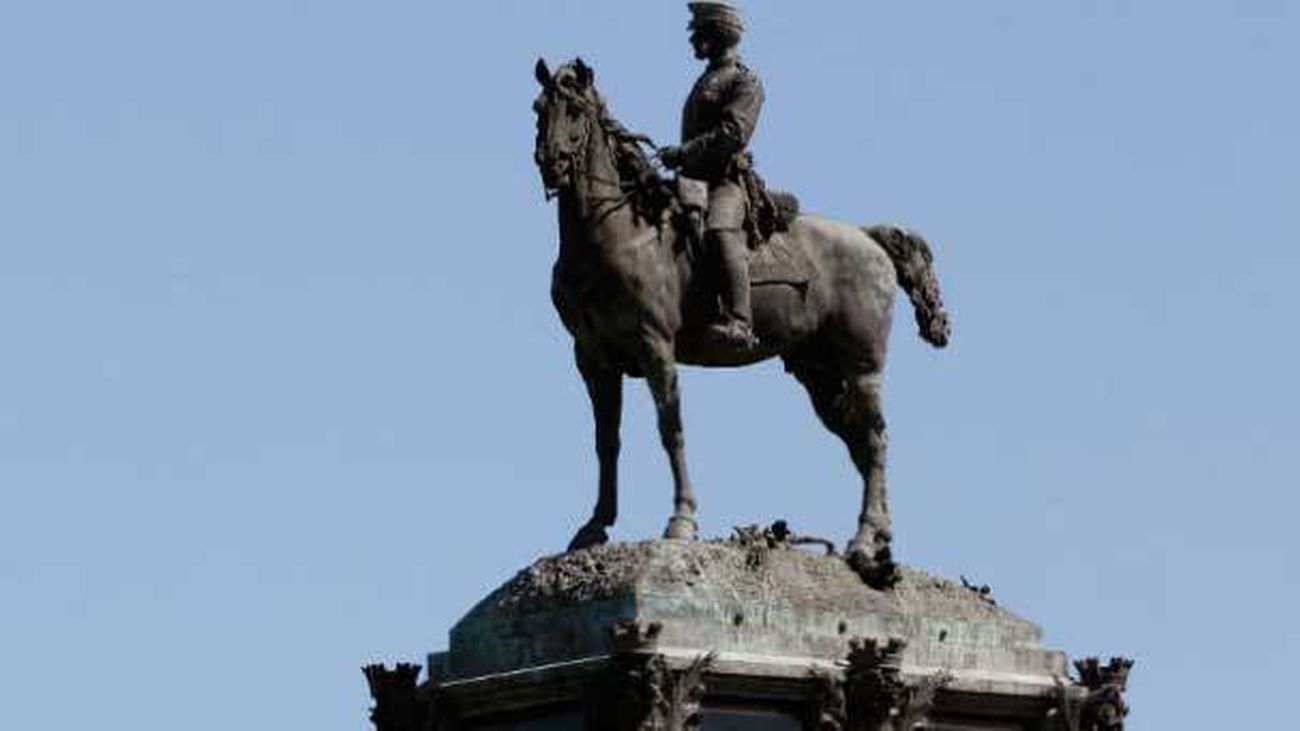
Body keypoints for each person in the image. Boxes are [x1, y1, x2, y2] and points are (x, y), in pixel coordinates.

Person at [659, 1, 763, 349]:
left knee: (719, 233)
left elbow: (733, 134)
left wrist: (685, 153)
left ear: (716, 35)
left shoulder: (743, 82)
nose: (692, 42)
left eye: (698, 34)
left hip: (725, 182)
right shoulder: (705, 79)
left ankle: (740, 321)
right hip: (691, 182)